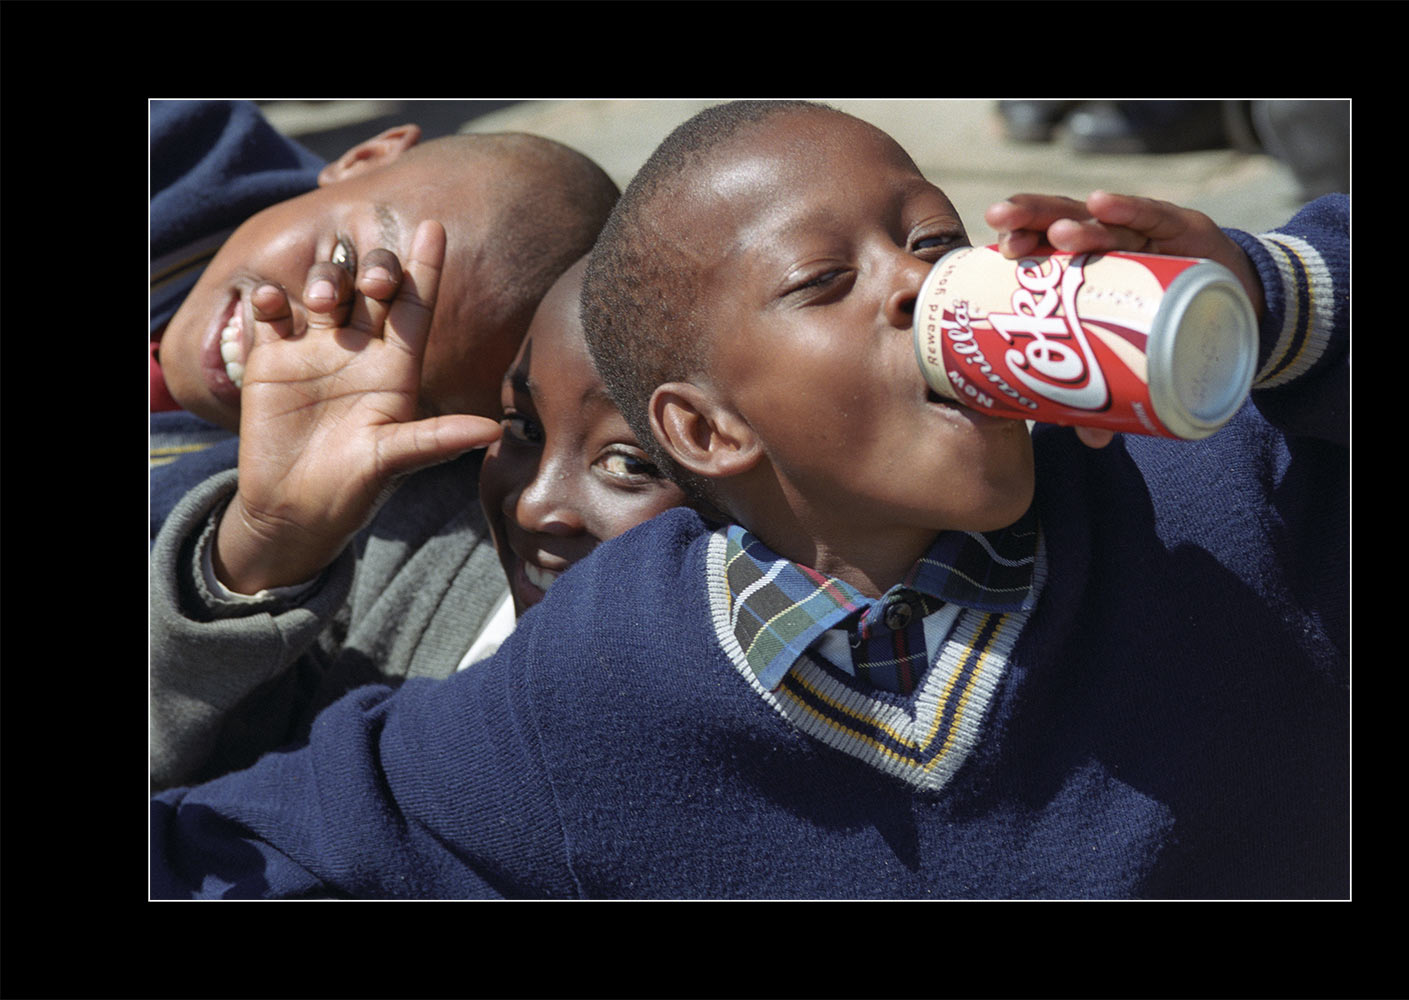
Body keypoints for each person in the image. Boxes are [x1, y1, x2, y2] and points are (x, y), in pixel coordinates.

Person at [151, 100, 1348, 899]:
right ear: (707, 430)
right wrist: (253, 551)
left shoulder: (1208, 482)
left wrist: (1273, 294)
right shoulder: (600, 686)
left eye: (932, 239)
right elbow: (243, 847)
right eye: (827, 280)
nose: (917, 287)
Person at [149, 255, 686, 790]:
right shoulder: (406, 548)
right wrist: (270, 536)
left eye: (629, 464)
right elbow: (201, 768)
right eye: (523, 426)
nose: (530, 506)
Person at [149, 100, 618, 476]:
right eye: (341, 261)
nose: (292, 347)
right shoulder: (173, 142)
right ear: (363, 158)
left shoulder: (235, 513)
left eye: (383, 386)